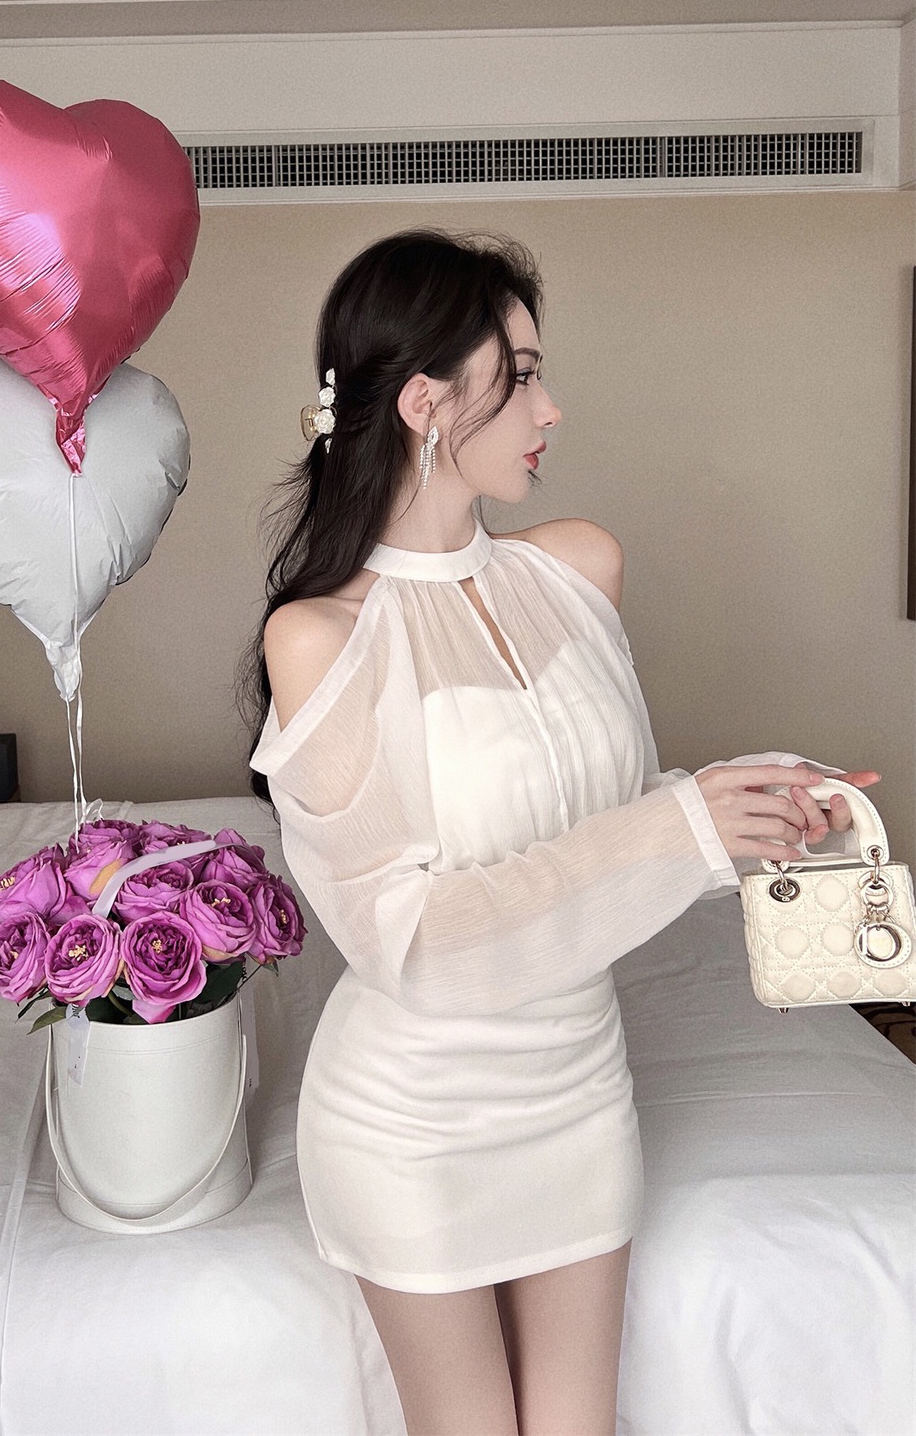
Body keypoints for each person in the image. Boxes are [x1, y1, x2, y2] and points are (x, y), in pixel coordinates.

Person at [237, 228, 881, 1436]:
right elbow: (409, 940)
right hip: (416, 1124)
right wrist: (682, 827)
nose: (551, 407)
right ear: (426, 403)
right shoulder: (319, 637)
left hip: (579, 1090)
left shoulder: (578, 572)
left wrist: (748, 810)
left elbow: (607, 823)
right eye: (522, 375)